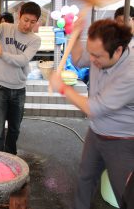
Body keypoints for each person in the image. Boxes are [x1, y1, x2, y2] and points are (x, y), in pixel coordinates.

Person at [49, 19, 134, 209]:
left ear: (118, 51)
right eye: (91, 52)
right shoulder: (101, 51)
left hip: (123, 140)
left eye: (97, 56)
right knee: (85, 178)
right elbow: (78, 59)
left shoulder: (130, 73)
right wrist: (77, 36)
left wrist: (62, 87)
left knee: (126, 195)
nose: (92, 60)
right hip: (96, 132)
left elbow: (93, 107)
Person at [0, 2, 41, 155]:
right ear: (19, 15)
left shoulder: (35, 40)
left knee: (15, 129)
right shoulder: (4, 28)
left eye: (32, 22)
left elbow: (23, 60)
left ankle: (11, 159)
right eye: (26, 20)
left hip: (18, 88)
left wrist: (1, 54)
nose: (28, 25)